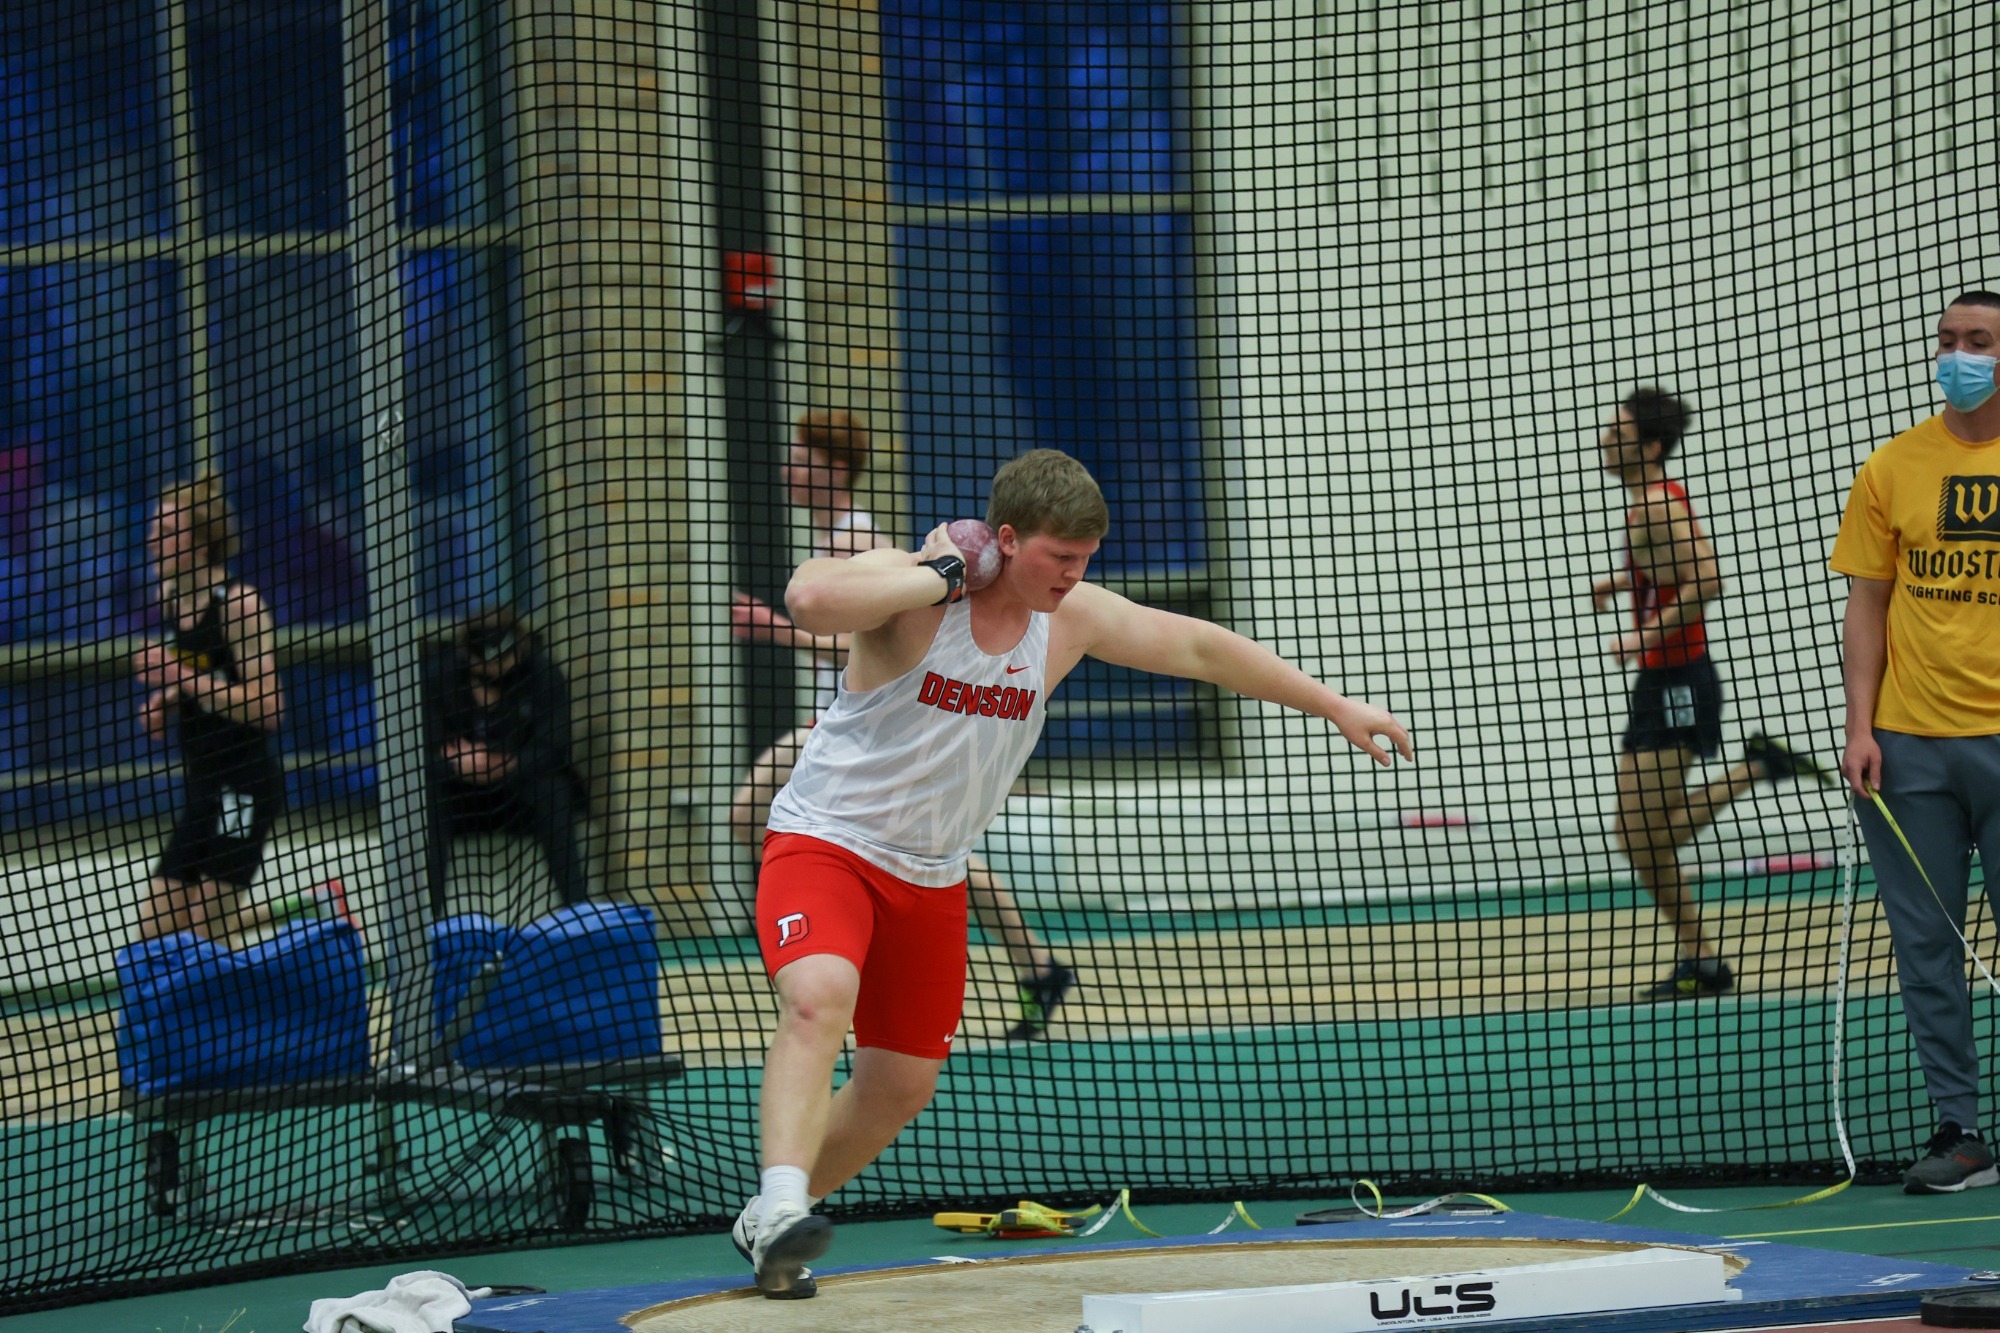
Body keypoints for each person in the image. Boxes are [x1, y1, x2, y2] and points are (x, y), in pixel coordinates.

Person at [729, 448, 1414, 1297]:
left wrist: (1335, 704)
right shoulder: (917, 591)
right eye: (1059, 556)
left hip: (933, 873)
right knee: (819, 995)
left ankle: (772, 1217)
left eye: (1085, 559)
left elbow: (1199, 647)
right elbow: (808, 597)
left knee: (899, 1086)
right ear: (1006, 539)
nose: (1072, 575)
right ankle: (783, 1200)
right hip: (827, 842)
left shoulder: (1070, 617)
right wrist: (937, 574)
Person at [728, 409, 1074, 1041]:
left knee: (758, 815)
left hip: (876, 728)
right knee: (915, 849)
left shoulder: (855, 538)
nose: (788, 471)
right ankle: (1035, 965)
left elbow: (856, 643)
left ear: (834, 470)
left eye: (802, 461)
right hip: (846, 726)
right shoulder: (830, 534)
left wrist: (775, 631)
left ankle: (837, 932)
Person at [1832, 290, 2000, 1195]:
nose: (1958, 355)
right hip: (1908, 748)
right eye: (1948, 340)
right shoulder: (1892, 466)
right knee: (1928, 947)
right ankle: (1961, 1132)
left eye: (1978, 341)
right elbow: (1869, 603)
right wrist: (1860, 726)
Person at [1589, 388, 1834, 1000]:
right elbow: (1669, 571)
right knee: (1638, 838)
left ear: (1650, 448)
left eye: (1618, 434)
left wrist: (1641, 634)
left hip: (1679, 683)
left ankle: (1756, 768)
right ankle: (1701, 959)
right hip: (1661, 682)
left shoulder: (1656, 506)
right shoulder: (1646, 505)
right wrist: (1623, 583)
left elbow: (1708, 578)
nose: (1604, 441)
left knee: (1642, 839)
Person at [132, 475, 309, 942]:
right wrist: (169, 699)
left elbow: (269, 707)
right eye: (154, 529)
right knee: (156, 932)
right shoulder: (169, 598)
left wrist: (175, 675)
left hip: (243, 790)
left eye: (167, 532)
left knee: (205, 933)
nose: (152, 540)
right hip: (203, 787)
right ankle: (303, 907)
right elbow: (212, 673)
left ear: (201, 543)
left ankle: (305, 919)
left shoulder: (238, 605)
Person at [422, 608, 590, 916]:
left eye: (504, 659)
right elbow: (417, 757)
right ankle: (427, 920)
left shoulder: (542, 675)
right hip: (462, 800)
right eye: (486, 663)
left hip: (518, 798)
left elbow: (555, 747)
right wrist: (458, 765)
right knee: (427, 798)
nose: (497, 669)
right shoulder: (438, 678)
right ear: (467, 655)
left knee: (553, 790)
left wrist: (505, 763)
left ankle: (578, 912)